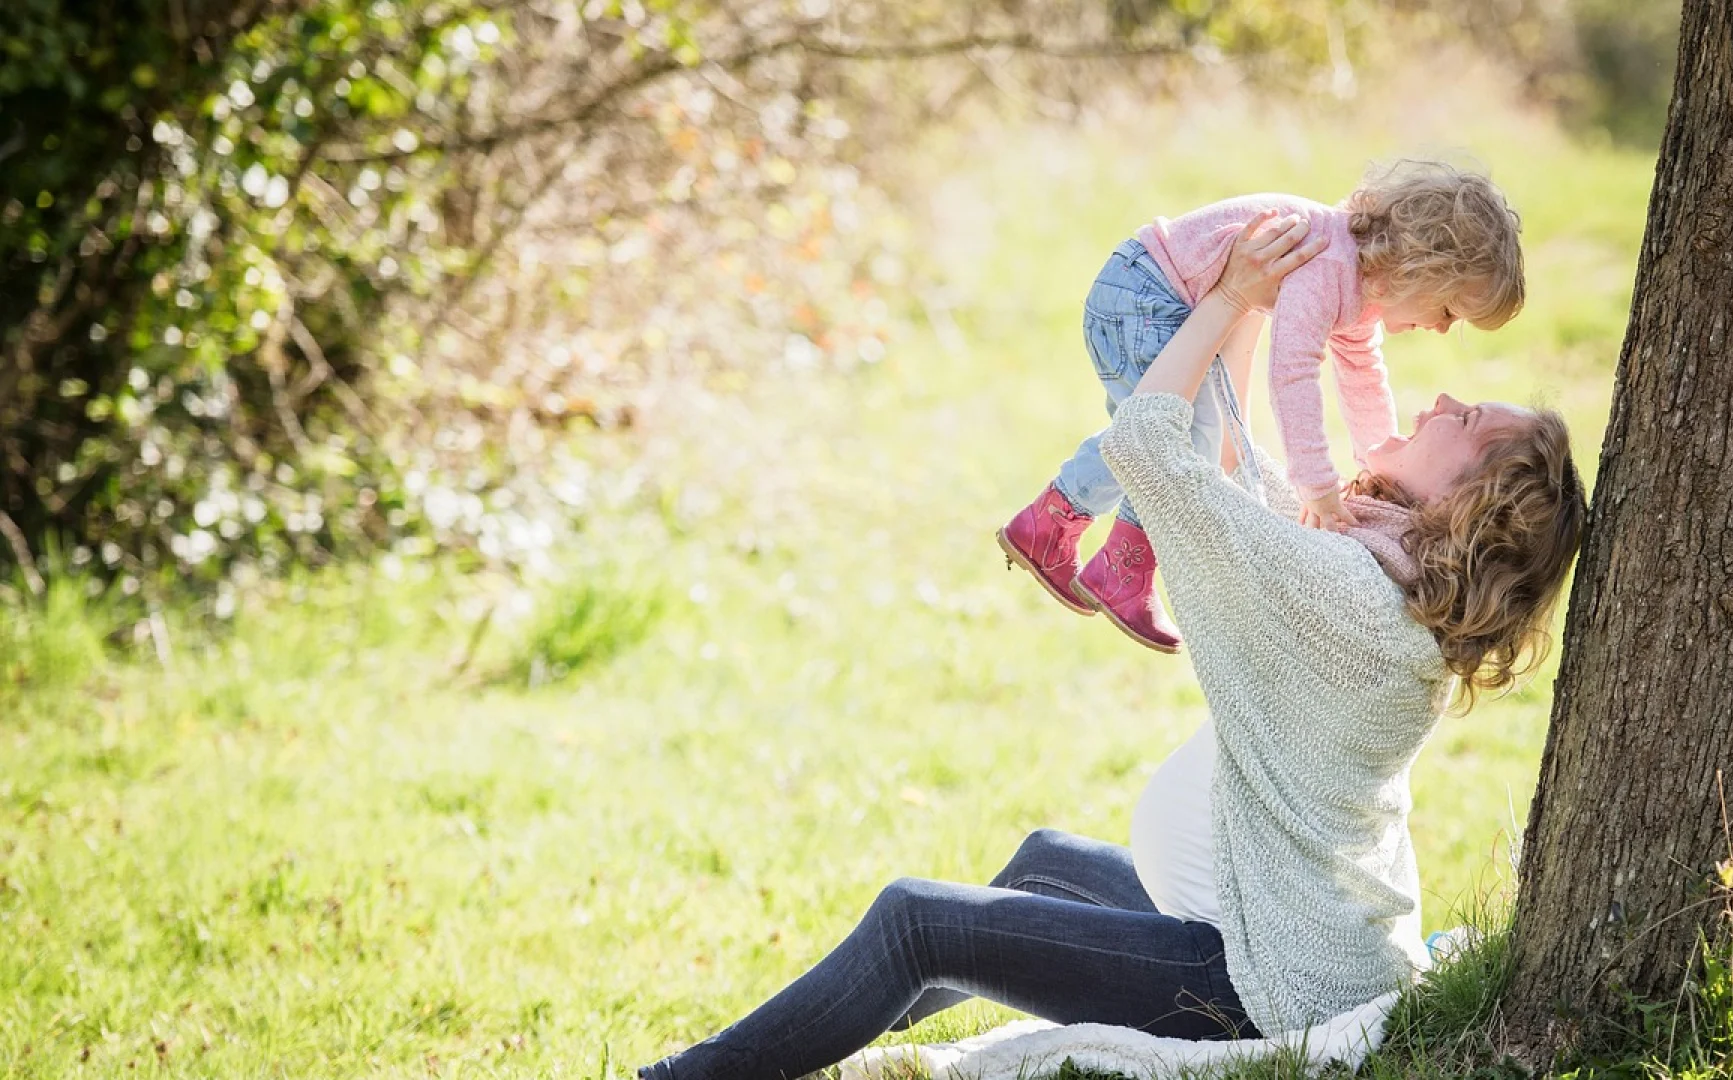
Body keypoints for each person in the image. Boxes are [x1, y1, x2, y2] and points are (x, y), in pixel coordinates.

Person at [635, 212, 1584, 1080]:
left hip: (1259, 986)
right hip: (1272, 926)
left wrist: (1220, 299)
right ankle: (824, 1037)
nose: (1446, 395)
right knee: (1043, 859)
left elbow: (1151, 449)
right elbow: (1231, 476)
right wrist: (1257, 305)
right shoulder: (1379, 578)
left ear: (1472, 506)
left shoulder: (1347, 599)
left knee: (916, 920)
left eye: (1464, 422)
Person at [998, 160, 1525, 653]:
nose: (1439, 328)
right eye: (1449, 309)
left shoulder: (1361, 286)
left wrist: (1376, 464)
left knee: (1174, 432)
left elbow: (1363, 378)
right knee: (1173, 435)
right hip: (1143, 296)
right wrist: (1316, 484)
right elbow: (1292, 372)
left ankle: (1053, 527)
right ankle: (1118, 564)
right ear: (1417, 268)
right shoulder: (1331, 266)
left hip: (1154, 294)